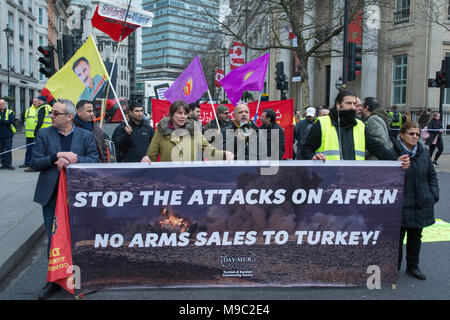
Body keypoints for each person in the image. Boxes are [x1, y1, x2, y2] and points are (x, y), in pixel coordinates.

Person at [30, 98, 98, 299]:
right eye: (52, 112)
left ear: (69, 117)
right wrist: (55, 156)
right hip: (51, 197)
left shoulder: (86, 136)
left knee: (79, 238)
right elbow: (35, 162)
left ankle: (80, 277)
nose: (51, 116)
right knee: (55, 239)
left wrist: (75, 159)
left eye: (55, 113)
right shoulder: (44, 134)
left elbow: (94, 160)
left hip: (78, 197)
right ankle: (53, 280)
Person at [301, 90, 410, 169]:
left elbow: (376, 147)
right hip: (327, 177)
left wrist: (396, 160)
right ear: (338, 105)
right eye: (348, 103)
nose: (353, 107)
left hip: (353, 178)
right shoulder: (322, 123)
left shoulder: (360, 125)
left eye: (355, 104)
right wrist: (313, 157)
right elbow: (306, 149)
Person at [392, 121, 439, 280]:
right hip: (401, 202)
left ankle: (413, 267)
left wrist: (433, 195)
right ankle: (394, 268)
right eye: (411, 133)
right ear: (402, 134)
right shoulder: (392, 152)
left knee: (415, 237)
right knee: (397, 238)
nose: (415, 137)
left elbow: (431, 175)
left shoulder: (424, 152)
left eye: (417, 134)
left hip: (421, 201)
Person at [142, 100, 233, 162]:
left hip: (190, 179)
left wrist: (225, 154)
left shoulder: (195, 132)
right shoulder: (160, 132)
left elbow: (209, 151)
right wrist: (146, 160)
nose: (183, 116)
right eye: (179, 113)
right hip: (168, 180)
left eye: (185, 113)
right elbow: (151, 157)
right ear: (171, 114)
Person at [19, 97, 40, 171]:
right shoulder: (28, 110)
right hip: (29, 134)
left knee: (36, 151)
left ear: (39, 102)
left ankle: (35, 164)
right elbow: (25, 120)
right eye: (33, 102)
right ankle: (27, 163)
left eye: (36, 102)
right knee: (28, 150)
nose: (34, 103)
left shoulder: (39, 110)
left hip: (37, 134)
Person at [0, 98, 16, 170]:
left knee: (8, 148)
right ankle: (3, 164)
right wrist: (5, 121)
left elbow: (11, 121)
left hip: (8, 134)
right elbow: (7, 121)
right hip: (0, 134)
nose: (1, 105)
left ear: (5, 104)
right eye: (0, 104)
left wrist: (2, 121)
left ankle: (9, 164)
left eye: (3, 104)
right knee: (1, 149)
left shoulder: (10, 112)